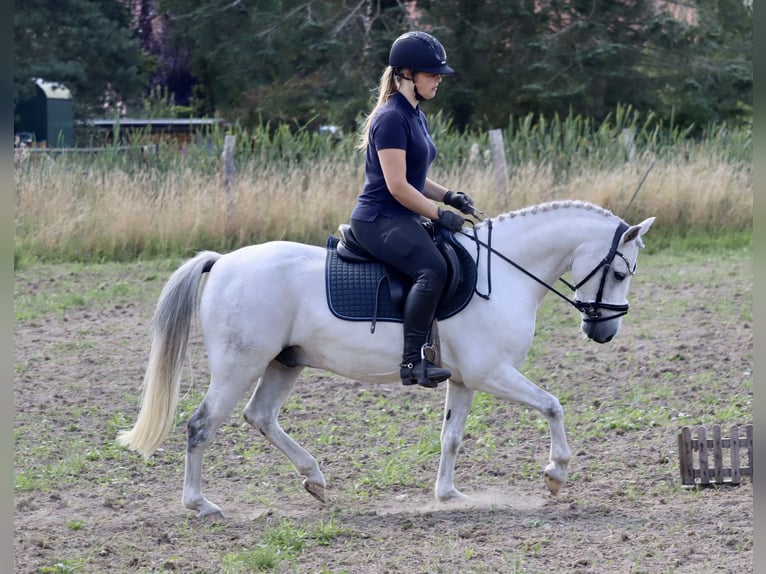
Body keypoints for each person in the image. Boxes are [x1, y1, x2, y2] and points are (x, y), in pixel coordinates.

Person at [349, 31, 475, 388]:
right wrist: (439, 214)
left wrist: (449, 195)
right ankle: (412, 362)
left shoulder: (415, 114)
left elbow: (416, 178)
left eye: (438, 74)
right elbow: (398, 186)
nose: (438, 79)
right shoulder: (390, 118)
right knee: (431, 268)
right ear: (406, 74)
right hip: (379, 219)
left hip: (400, 214)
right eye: (431, 73)